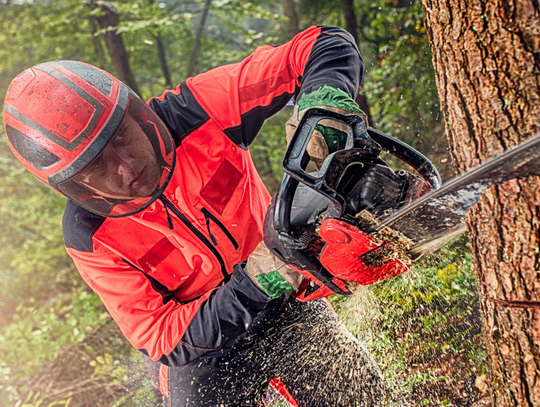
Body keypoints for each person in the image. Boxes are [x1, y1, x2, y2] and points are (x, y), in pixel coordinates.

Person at [3, 26, 386, 406]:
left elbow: (321, 45)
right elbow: (160, 335)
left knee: (362, 398)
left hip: (288, 290)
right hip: (202, 353)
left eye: (121, 137)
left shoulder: (196, 111)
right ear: (76, 184)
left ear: (135, 114)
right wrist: (255, 280)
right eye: (98, 166)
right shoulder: (89, 235)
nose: (126, 166)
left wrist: (323, 107)